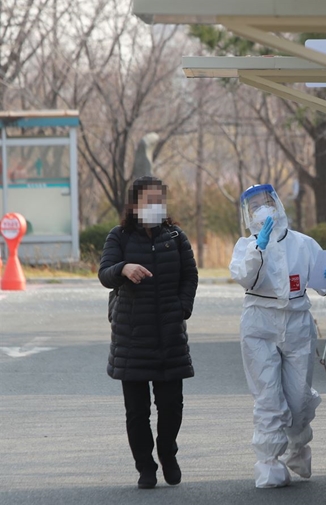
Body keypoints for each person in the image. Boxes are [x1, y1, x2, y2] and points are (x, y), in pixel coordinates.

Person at [229, 184, 326, 488]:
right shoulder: (246, 246)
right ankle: (268, 464)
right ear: (247, 214)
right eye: (254, 206)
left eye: (266, 202)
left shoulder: (304, 244)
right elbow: (245, 277)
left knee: (297, 398)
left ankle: (297, 449)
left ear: (278, 204)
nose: (262, 209)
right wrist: (260, 248)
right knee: (268, 396)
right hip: (259, 324)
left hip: (296, 322)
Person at [98, 176, 198, 489]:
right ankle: (145, 466)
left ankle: (168, 452)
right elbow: (105, 274)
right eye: (147, 200)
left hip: (169, 335)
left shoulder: (176, 237)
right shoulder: (120, 236)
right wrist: (124, 268)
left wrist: (181, 308)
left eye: (159, 199)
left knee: (171, 406)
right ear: (134, 204)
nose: (154, 205)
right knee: (136, 411)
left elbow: (190, 276)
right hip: (132, 336)